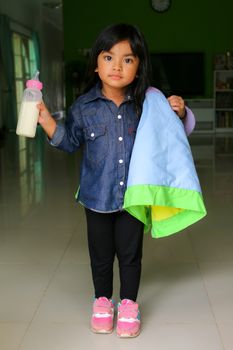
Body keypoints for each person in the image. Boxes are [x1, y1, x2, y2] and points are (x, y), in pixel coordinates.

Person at [38, 23, 195, 338]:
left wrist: (178, 111)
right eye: (109, 57)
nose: (117, 66)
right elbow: (69, 142)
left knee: (130, 256)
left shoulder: (148, 103)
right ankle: (101, 302)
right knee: (100, 256)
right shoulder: (84, 106)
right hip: (96, 198)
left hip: (132, 199)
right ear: (96, 63)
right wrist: (47, 122)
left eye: (127, 59)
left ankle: (128, 304)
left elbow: (175, 133)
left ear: (139, 67)